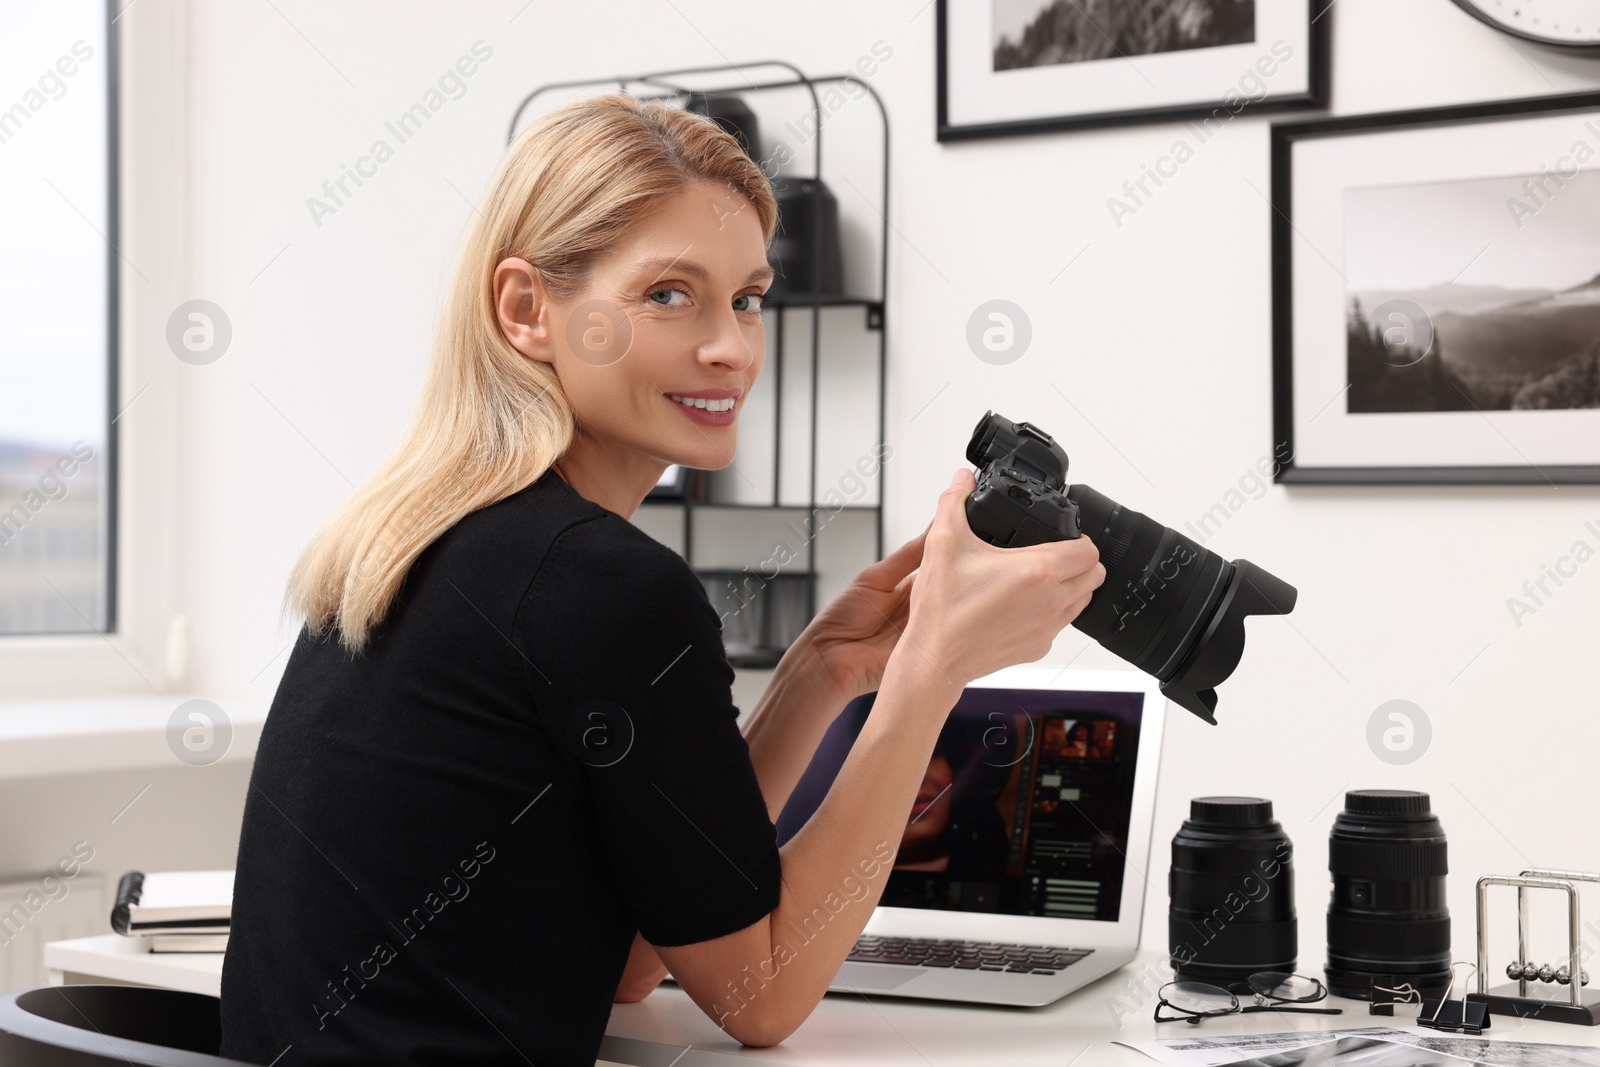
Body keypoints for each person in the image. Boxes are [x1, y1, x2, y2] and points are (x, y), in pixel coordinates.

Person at [218, 92, 1104, 1066]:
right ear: (525, 310)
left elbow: (639, 953)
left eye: (748, 297)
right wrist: (931, 670)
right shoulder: (601, 587)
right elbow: (761, 995)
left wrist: (821, 674)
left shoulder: (420, 542)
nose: (729, 345)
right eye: (669, 294)